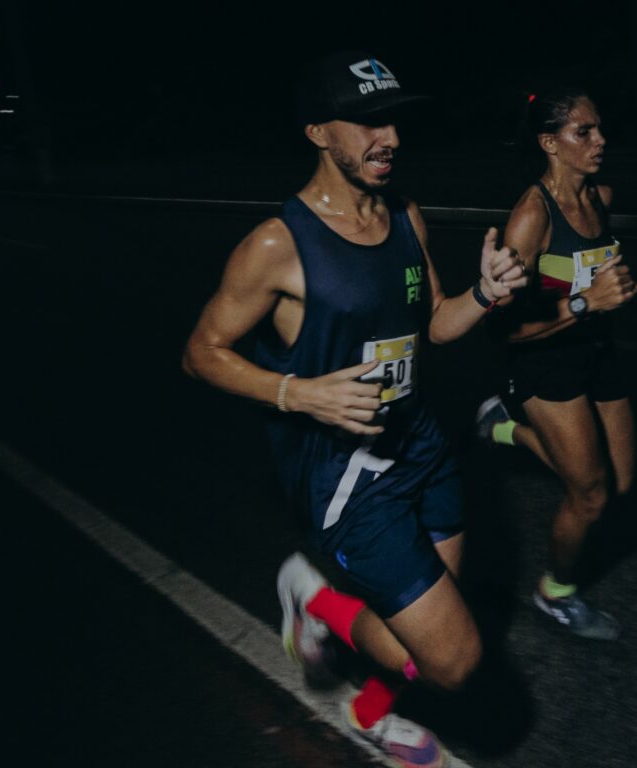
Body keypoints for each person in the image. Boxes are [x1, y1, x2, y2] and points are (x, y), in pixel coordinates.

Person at [182, 50, 525, 768]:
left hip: (421, 442)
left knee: (423, 626)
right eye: (367, 122)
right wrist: (297, 392)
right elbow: (202, 351)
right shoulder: (278, 245)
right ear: (317, 132)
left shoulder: (404, 212)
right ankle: (315, 600)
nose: (389, 138)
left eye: (394, 120)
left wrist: (487, 294)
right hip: (347, 475)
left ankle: (369, 710)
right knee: (456, 659)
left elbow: (433, 320)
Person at [475, 87, 637, 640]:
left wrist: (631, 291)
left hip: (597, 351)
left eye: (599, 128)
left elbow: (595, 268)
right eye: (585, 132)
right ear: (550, 143)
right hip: (544, 364)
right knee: (590, 494)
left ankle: (501, 430)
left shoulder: (601, 194)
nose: (600, 140)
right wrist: (585, 304)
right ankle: (555, 593)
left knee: (620, 485)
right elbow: (502, 325)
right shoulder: (531, 218)